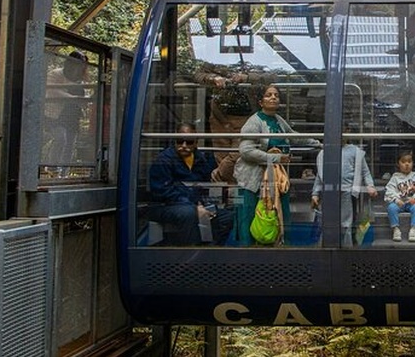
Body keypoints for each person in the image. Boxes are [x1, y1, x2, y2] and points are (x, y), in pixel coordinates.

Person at [234, 84, 319, 246]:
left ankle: (280, 249)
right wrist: (276, 158)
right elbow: (245, 151)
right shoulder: (254, 122)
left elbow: (292, 136)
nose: (273, 97)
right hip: (254, 181)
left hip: (276, 179)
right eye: (268, 95)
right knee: (253, 216)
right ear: (260, 101)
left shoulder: (278, 120)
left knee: (279, 214)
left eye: (276, 95)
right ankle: (249, 255)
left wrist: (318, 142)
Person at [147, 123, 235, 245]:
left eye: (188, 142)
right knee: (189, 214)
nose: (183, 146)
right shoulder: (164, 160)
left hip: (194, 204)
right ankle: (190, 254)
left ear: (195, 142)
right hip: (165, 206)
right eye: (179, 141)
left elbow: (205, 186)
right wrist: (195, 207)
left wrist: (208, 204)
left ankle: (211, 250)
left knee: (227, 216)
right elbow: (163, 192)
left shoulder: (201, 159)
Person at [311, 133, 379, 246]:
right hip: (328, 192)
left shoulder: (355, 151)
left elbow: (365, 171)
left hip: (348, 192)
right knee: (326, 223)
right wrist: (315, 193)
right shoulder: (324, 152)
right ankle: (324, 249)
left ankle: (346, 251)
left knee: (346, 225)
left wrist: (370, 186)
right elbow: (320, 175)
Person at [43, 50, 89, 175]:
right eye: (79, 63)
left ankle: (64, 174)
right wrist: (73, 98)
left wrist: (83, 103)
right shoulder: (56, 74)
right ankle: (52, 167)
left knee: (69, 144)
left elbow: (84, 97)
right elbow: (52, 91)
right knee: (60, 137)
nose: (81, 66)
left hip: (72, 115)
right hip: (54, 114)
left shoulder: (80, 80)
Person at [384, 150, 415, 242]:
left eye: (409, 162)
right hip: (399, 203)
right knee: (391, 208)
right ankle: (396, 229)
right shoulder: (395, 178)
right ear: (398, 164)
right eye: (403, 162)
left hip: (411, 203)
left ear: (413, 163)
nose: (407, 164)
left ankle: (413, 229)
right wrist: (396, 200)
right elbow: (389, 191)